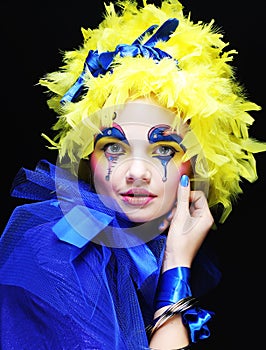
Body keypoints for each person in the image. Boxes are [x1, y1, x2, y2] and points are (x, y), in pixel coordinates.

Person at [1, 0, 265, 349]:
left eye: (165, 150)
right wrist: (176, 271)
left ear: (195, 166)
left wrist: (175, 260)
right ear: (88, 158)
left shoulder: (148, 248)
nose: (137, 172)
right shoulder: (56, 256)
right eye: (113, 147)